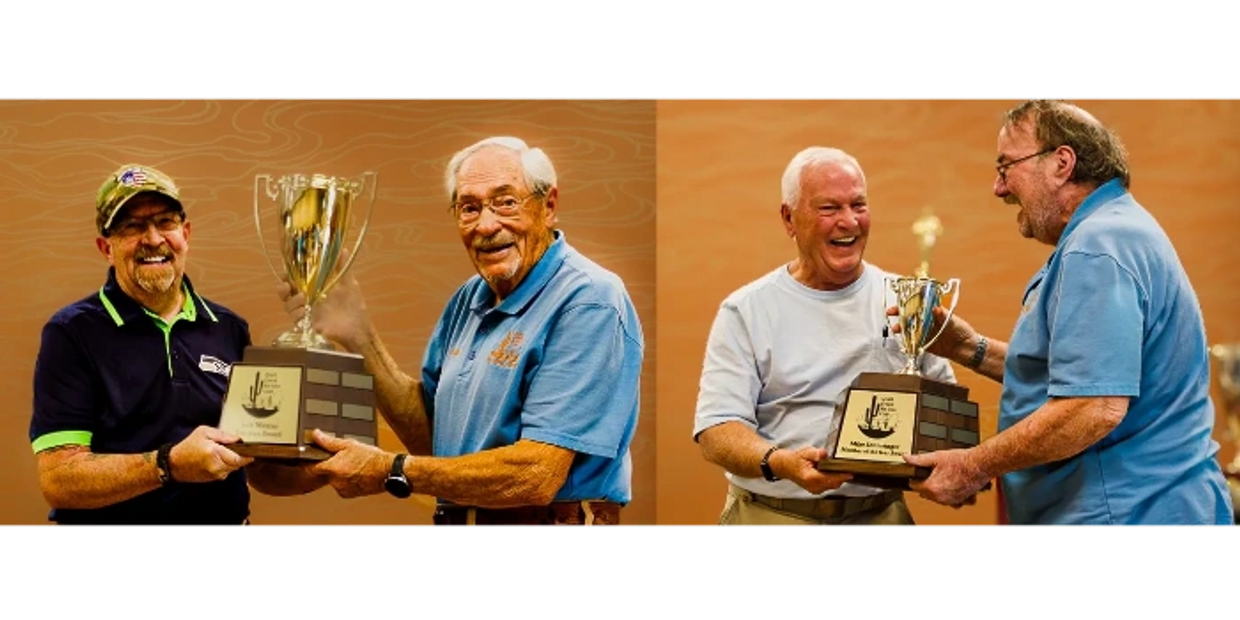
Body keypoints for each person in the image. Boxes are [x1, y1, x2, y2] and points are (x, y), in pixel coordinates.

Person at [278, 136, 644, 528]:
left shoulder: (589, 300)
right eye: (469, 208)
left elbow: (536, 474)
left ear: (548, 205)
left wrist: (391, 469)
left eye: (506, 202)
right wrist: (358, 335)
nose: (487, 225)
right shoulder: (468, 299)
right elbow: (437, 445)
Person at [902, 98, 1236, 528]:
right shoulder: (1113, 230)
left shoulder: (1096, 247)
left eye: (1006, 167)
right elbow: (1075, 376)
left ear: (1061, 163)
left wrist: (974, 465)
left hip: (1126, 513)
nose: (998, 188)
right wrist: (967, 347)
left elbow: (1091, 406)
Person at [692, 146, 958, 528]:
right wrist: (781, 462)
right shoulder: (746, 309)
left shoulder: (908, 301)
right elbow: (717, 432)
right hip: (770, 513)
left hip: (882, 514)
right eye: (829, 208)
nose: (848, 222)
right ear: (789, 218)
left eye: (859, 205)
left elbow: (944, 415)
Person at [29, 163, 269, 527]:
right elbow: (60, 480)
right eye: (132, 226)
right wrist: (169, 464)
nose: (153, 239)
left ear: (185, 233)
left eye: (165, 221)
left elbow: (260, 465)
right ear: (105, 248)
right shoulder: (71, 333)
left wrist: (318, 459)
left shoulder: (229, 328)